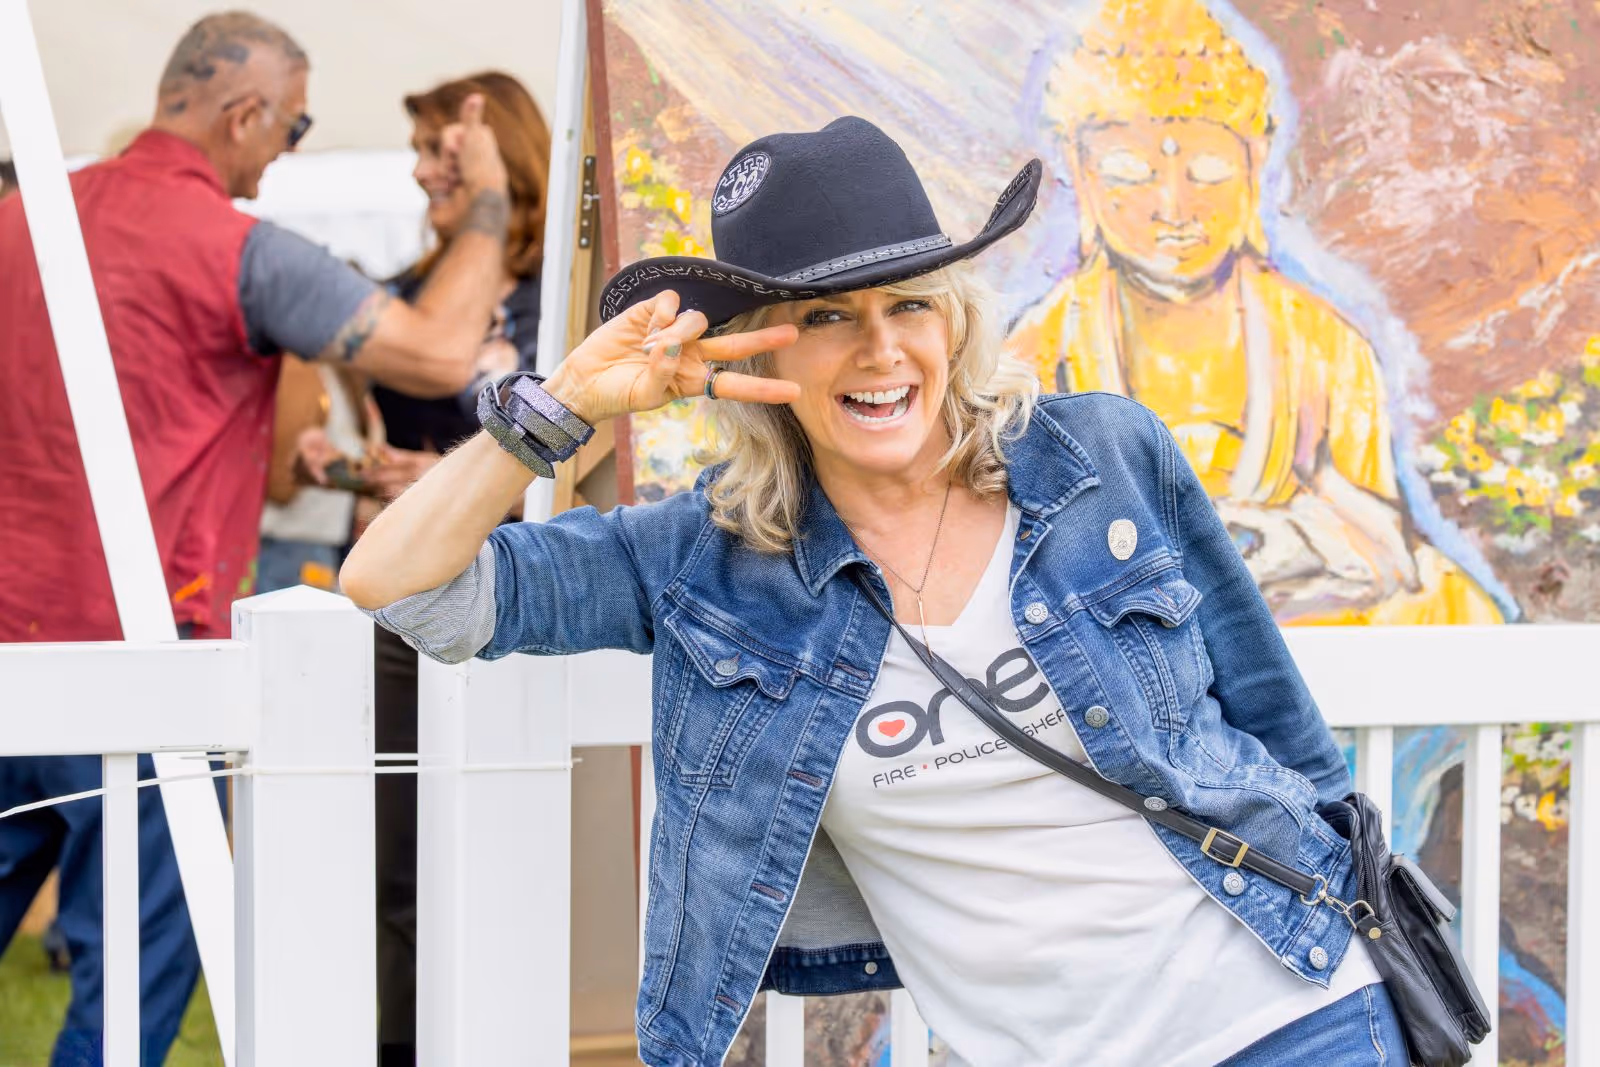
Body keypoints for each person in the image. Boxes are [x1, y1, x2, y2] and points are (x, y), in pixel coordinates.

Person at [342, 116, 1405, 1066]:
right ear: (754, 353)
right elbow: (399, 584)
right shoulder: (703, 558)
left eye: (909, 304)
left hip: (1291, 1011)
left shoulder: (1102, 457)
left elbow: (1283, 731)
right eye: (825, 317)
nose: (883, 348)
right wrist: (565, 402)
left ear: (954, 323)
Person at [0, 12, 512, 1064]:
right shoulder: (236, 248)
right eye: (295, 125)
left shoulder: (22, 221)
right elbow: (440, 350)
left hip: (14, 639)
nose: (288, 150)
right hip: (142, 665)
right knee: (127, 996)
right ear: (245, 114)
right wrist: (492, 197)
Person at [1006, 0, 1502, 626]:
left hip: (1293, 614)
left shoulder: (1323, 345)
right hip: (1125, 619)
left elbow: (1382, 547)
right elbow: (1014, 541)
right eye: (1130, 172)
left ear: (1254, 166)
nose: (1173, 207)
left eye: (1208, 171)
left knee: (1449, 602)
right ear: (1083, 177)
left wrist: (1284, 540)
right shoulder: (1041, 349)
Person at [302, 70, 548, 1067]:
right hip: (397, 613)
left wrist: (454, 480)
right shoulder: (417, 291)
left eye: (437, 148)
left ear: (503, 154)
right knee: (394, 849)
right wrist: (353, 466)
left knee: (507, 839)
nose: (418, 171)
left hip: (521, 598)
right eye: (418, 151)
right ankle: (400, 1045)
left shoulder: (564, 295)